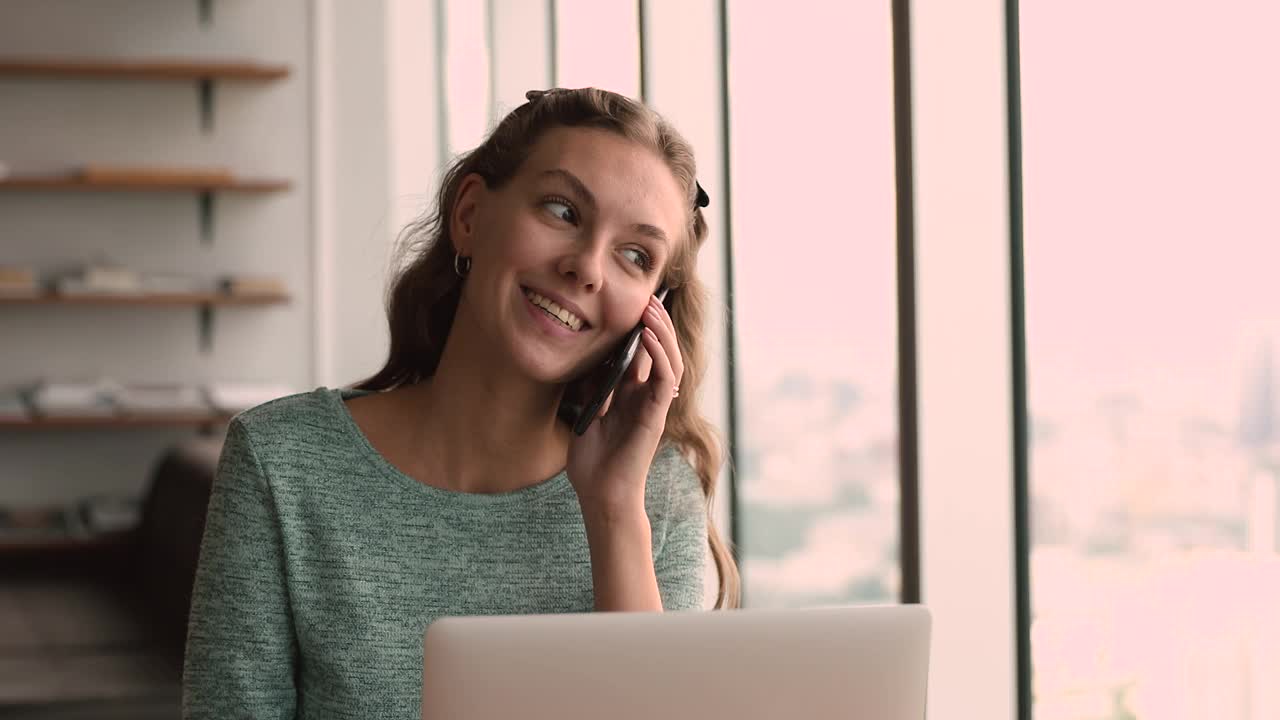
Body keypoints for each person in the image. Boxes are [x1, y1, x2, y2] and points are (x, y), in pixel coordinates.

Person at [181, 87, 740, 719]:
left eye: (635, 256)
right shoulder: (281, 463)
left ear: (651, 314)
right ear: (470, 214)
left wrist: (614, 513)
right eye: (562, 211)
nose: (587, 268)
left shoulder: (654, 497)